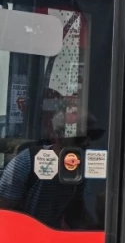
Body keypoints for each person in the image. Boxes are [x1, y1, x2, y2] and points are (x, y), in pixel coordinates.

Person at [0, 95, 101, 229]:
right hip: (22, 236)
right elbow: (5, 211)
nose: (88, 142)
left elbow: (75, 213)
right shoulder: (27, 162)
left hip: (52, 237)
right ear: (59, 135)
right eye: (81, 137)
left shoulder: (77, 168)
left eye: (92, 136)